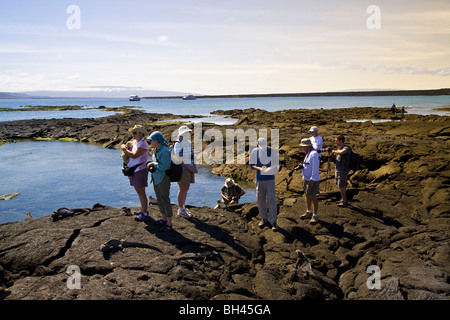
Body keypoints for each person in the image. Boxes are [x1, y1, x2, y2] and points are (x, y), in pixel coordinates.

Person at [249, 137, 280, 231]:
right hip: (260, 179)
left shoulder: (271, 151)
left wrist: (269, 169)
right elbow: (251, 165)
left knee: (271, 198)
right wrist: (259, 168)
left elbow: (276, 163)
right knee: (260, 198)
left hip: (270, 179)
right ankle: (264, 219)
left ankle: (273, 221)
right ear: (258, 144)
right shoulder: (255, 151)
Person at [146, 131, 173, 231]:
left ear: (157, 140)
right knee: (159, 198)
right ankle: (164, 219)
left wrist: (153, 164)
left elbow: (165, 166)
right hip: (156, 178)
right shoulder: (155, 150)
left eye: (151, 140)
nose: (150, 142)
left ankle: (169, 223)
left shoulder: (165, 151)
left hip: (163, 178)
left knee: (165, 199)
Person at [120, 125, 149, 219]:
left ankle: (144, 213)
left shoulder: (143, 144)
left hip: (139, 170)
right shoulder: (134, 142)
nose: (133, 134)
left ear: (141, 134)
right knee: (139, 191)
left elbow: (134, 155)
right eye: (133, 133)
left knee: (141, 191)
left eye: (135, 133)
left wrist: (125, 149)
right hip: (134, 170)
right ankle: (143, 210)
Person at [173, 125, 198, 219]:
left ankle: (182, 207)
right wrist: (191, 168)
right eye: (187, 132)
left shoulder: (188, 142)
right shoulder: (178, 143)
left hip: (190, 169)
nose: (188, 134)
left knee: (186, 187)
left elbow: (192, 155)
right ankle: (180, 209)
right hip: (183, 170)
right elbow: (179, 159)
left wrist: (194, 166)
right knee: (182, 188)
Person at [299, 138, 321, 224]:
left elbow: (315, 169)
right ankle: (308, 212)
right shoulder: (308, 153)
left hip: (312, 179)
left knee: (313, 196)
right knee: (307, 195)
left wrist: (312, 179)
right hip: (306, 178)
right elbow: (308, 165)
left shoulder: (314, 154)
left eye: (303, 146)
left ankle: (315, 215)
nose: (302, 148)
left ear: (308, 146)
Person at [330, 135, 350, 207]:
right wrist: (332, 155)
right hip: (338, 169)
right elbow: (336, 160)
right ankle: (342, 199)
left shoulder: (346, 148)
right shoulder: (339, 149)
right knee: (339, 185)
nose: (335, 142)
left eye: (336, 141)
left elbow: (343, 152)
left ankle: (344, 201)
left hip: (343, 169)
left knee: (342, 185)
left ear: (341, 141)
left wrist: (334, 151)